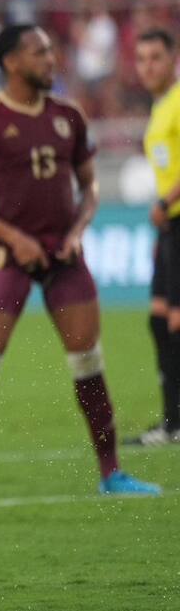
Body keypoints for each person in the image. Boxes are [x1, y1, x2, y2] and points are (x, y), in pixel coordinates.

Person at [0, 23, 162, 502]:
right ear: (11, 62)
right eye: (40, 52)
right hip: (7, 255)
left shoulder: (68, 116)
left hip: (62, 254)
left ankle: (112, 473)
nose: (51, 59)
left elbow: (89, 186)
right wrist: (12, 236)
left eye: (51, 50)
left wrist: (76, 232)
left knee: (88, 360)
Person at [128, 28, 180, 446]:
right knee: (159, 320)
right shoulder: (161, 108)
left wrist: (167, 201)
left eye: (155, 58)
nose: (147, 66)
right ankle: (172, 422)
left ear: (172, 59)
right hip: (170, 228)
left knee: (176, 321)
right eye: (141, 58)